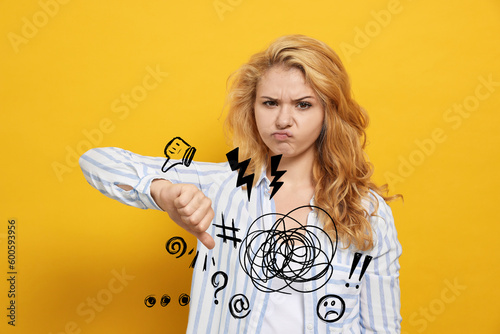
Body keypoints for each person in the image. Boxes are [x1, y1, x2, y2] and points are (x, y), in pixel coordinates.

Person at [79, 34, 402, 333]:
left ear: (328, 112)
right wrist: (162, 192)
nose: (283, 120)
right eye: (270, 103)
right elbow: (97, 161)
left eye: (303, 104)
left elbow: (381, 328)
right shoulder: (221, 185)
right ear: (252, 108)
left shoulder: (366, 212)